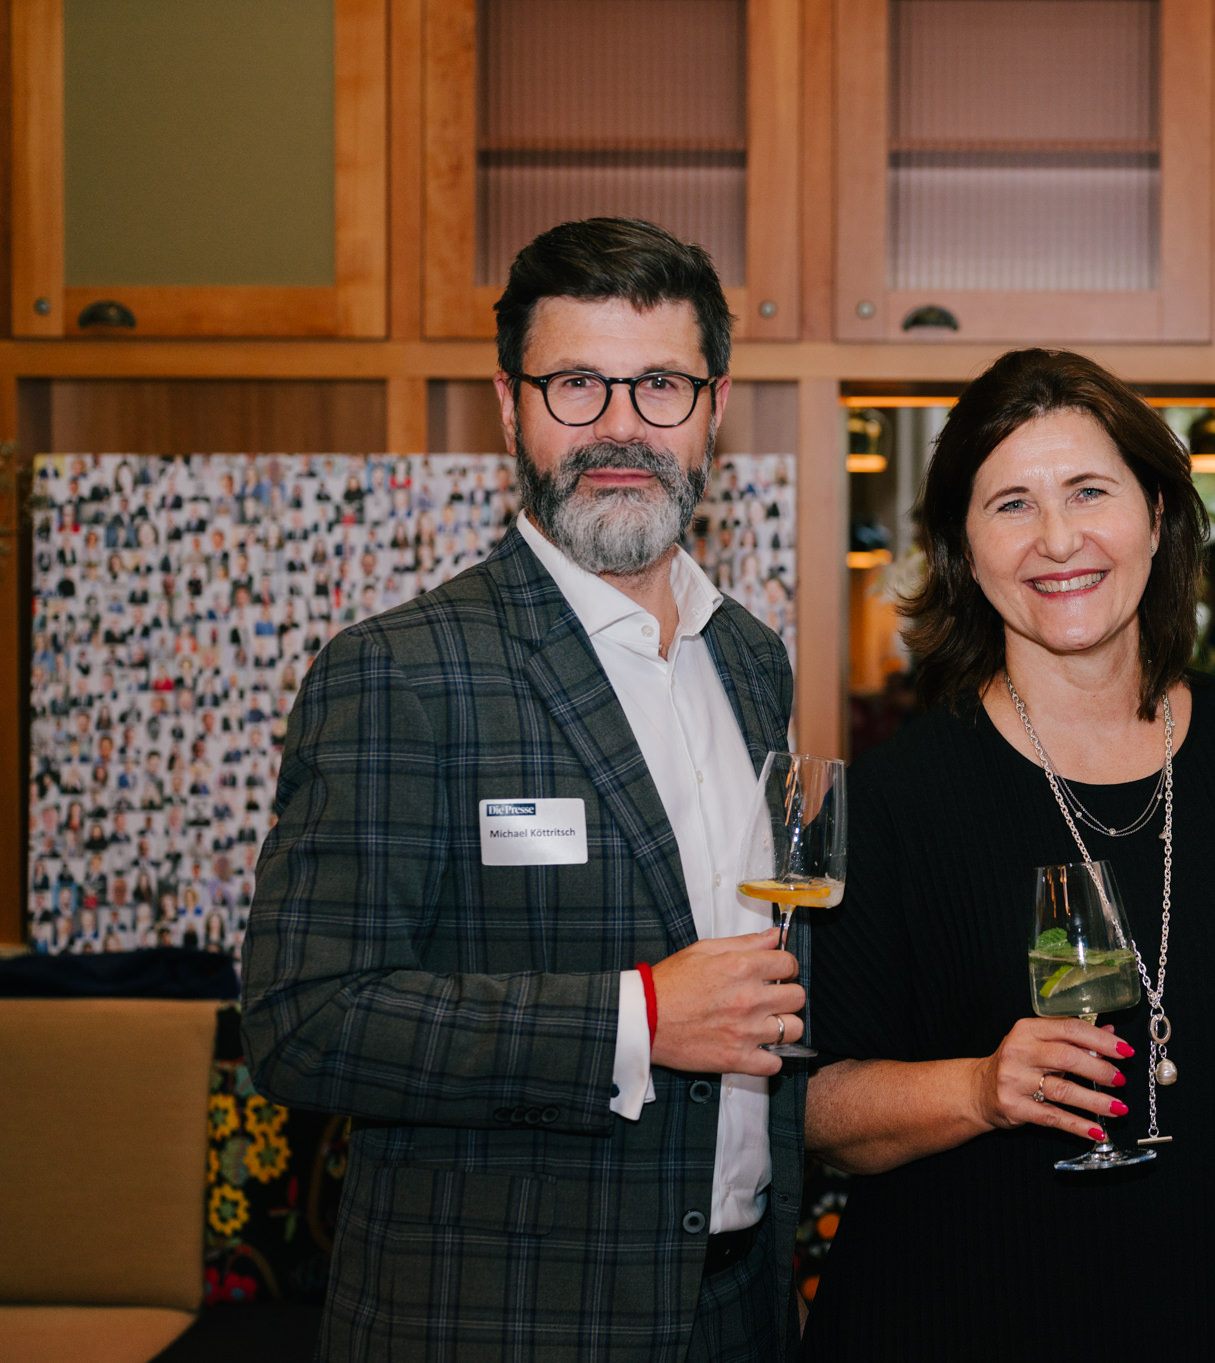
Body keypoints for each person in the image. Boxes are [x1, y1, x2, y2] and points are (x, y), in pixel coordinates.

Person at [243, 218, 807, 1362]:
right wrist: (638, 1019)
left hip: (739, 1311)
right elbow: (304, 1022)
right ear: (509, 406)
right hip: (498, 1323)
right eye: (575, 384)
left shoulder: (751, 661)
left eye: (659, 385)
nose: (620, 427)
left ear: (713, 407)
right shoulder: (397, 671)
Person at [803, 349, 1215, 1361]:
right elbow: (816, 1105)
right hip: (962, 1321)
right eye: (1011, 504)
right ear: (964, 549)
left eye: (1089, 491)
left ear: (1157, 513)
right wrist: (977, 1089)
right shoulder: (894, 800)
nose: (1057, 539)